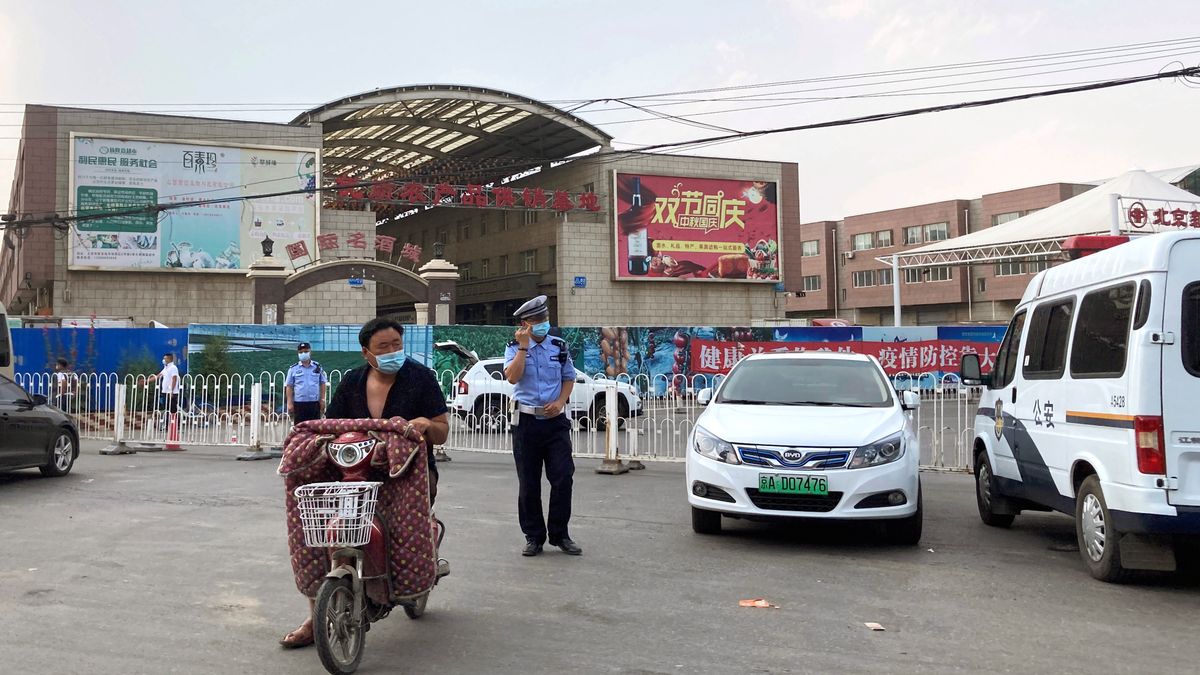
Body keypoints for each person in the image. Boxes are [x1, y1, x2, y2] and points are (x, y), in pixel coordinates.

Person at [280, 317, 450, 650]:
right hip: (356, 472)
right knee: (322, 532)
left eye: (396, 345)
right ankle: (316, 617)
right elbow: (329, 426)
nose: (392, 352)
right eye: (383, 347)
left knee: (402, 531)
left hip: (407, 473)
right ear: (366, 353)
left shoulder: (420, 378)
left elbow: (442, 432)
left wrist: (425, 423)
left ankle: (410, 578)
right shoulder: (352, 382)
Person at [504, 295, 582, 557]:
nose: (542, 324)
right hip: (526, 422)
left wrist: (561, 401)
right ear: (525, 324)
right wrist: (524, 348)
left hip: (555, 422)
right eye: (536, 321)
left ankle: (560, 534)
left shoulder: (558, 346)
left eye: (544, 319)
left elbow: (569, 378)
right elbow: (513, 378)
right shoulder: (514, 347)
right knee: (529, 483)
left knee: (562, 478)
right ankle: (533, 536)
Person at [284, 342, 327, 424]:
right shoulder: (293, 369)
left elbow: (323, 383)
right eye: (300, 352)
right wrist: (289, 403)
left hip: (314, 403)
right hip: (299, 404)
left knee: (315, 427)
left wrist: (322, 399)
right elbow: (289, 386)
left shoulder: (317, 367)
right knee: (300, 428)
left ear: (310, 352)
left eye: (306, 351)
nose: (303, 353)